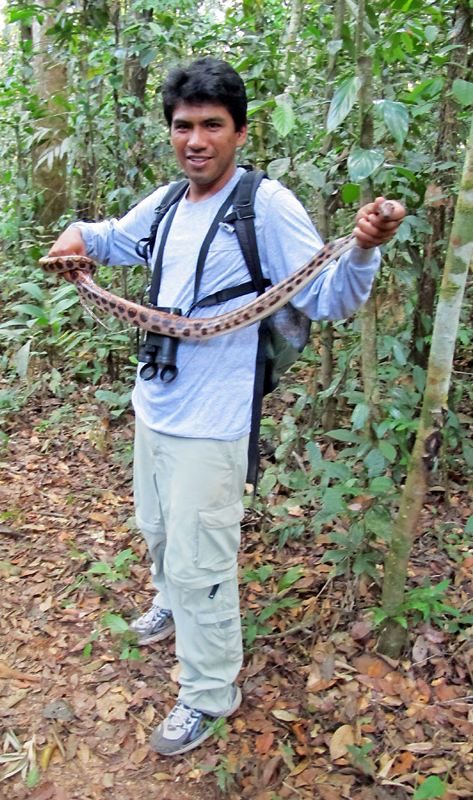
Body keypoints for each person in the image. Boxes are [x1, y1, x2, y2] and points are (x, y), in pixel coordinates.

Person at [48, 57, 405, 756]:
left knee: (199, 560)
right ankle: (168, 606)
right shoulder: (167, 201)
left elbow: (327, 295)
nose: (196, 140)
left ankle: (209, 691)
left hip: (213, 422)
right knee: (155, 528)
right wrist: (82, 236)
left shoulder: (265, 207)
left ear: (240, 132)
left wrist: (362, 250)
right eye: (183, 126)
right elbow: (121, 238)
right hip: (155, 402)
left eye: (212, 125)